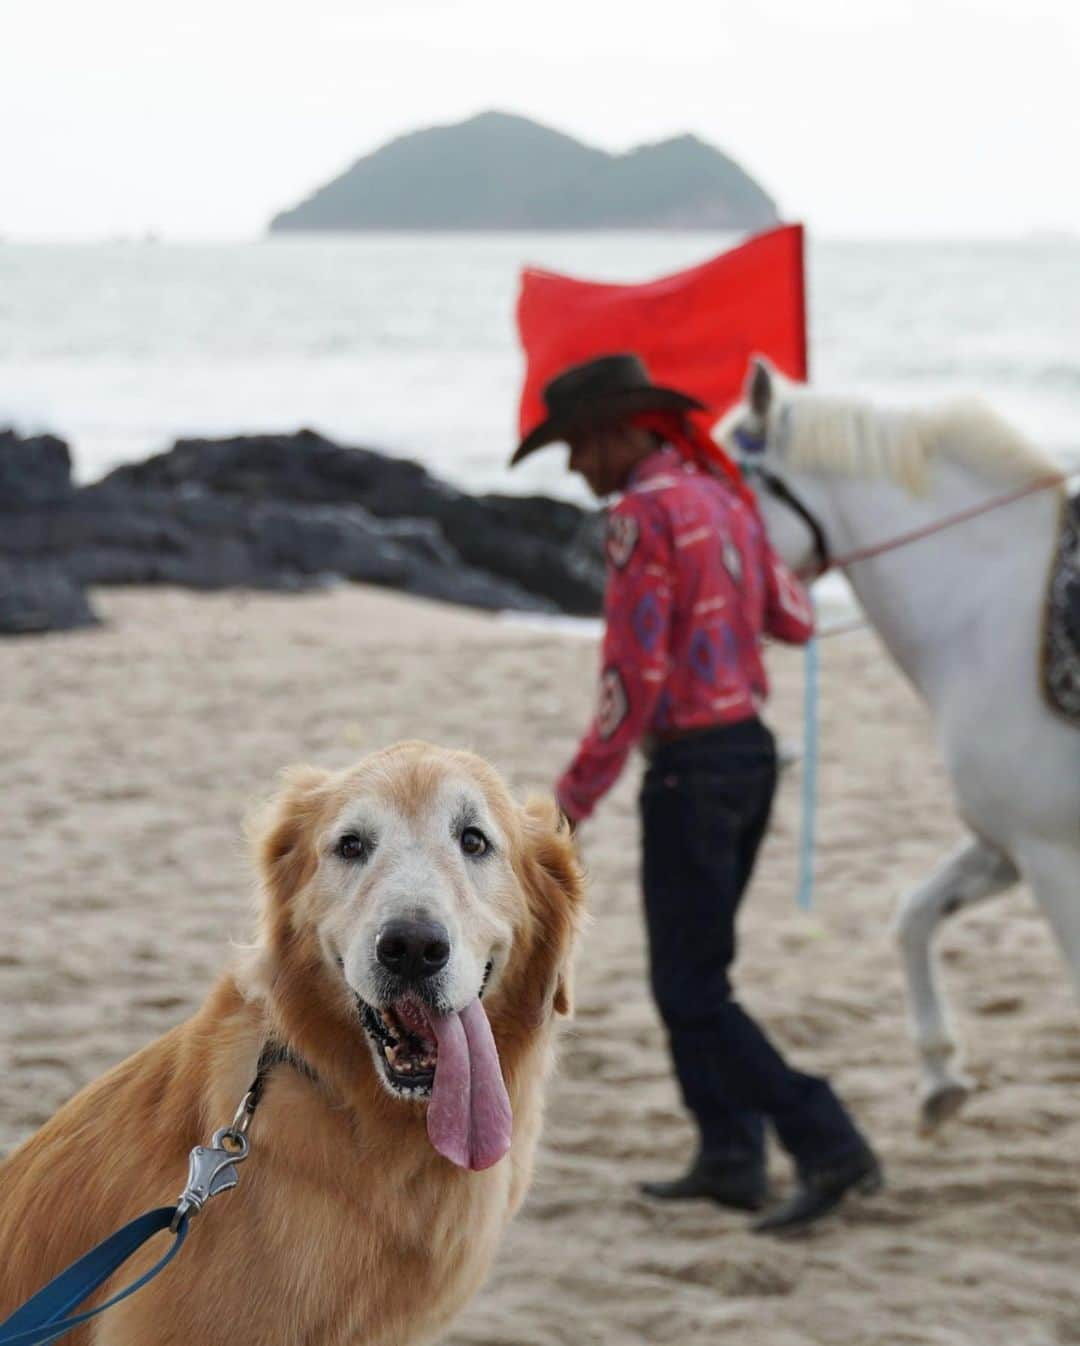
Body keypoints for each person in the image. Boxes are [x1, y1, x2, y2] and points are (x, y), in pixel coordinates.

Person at [510, 352, 882, 1234]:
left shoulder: (641, 516)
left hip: (691, 772)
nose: (573, 467)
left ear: (618, 433)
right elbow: (794, 620)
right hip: (749, 758)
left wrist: (571, 799)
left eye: (577, 446)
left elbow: (632, 675)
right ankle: (728, 1157)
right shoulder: (723, 500)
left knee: (689, 989)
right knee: (695, 971)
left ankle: (827, 1141)